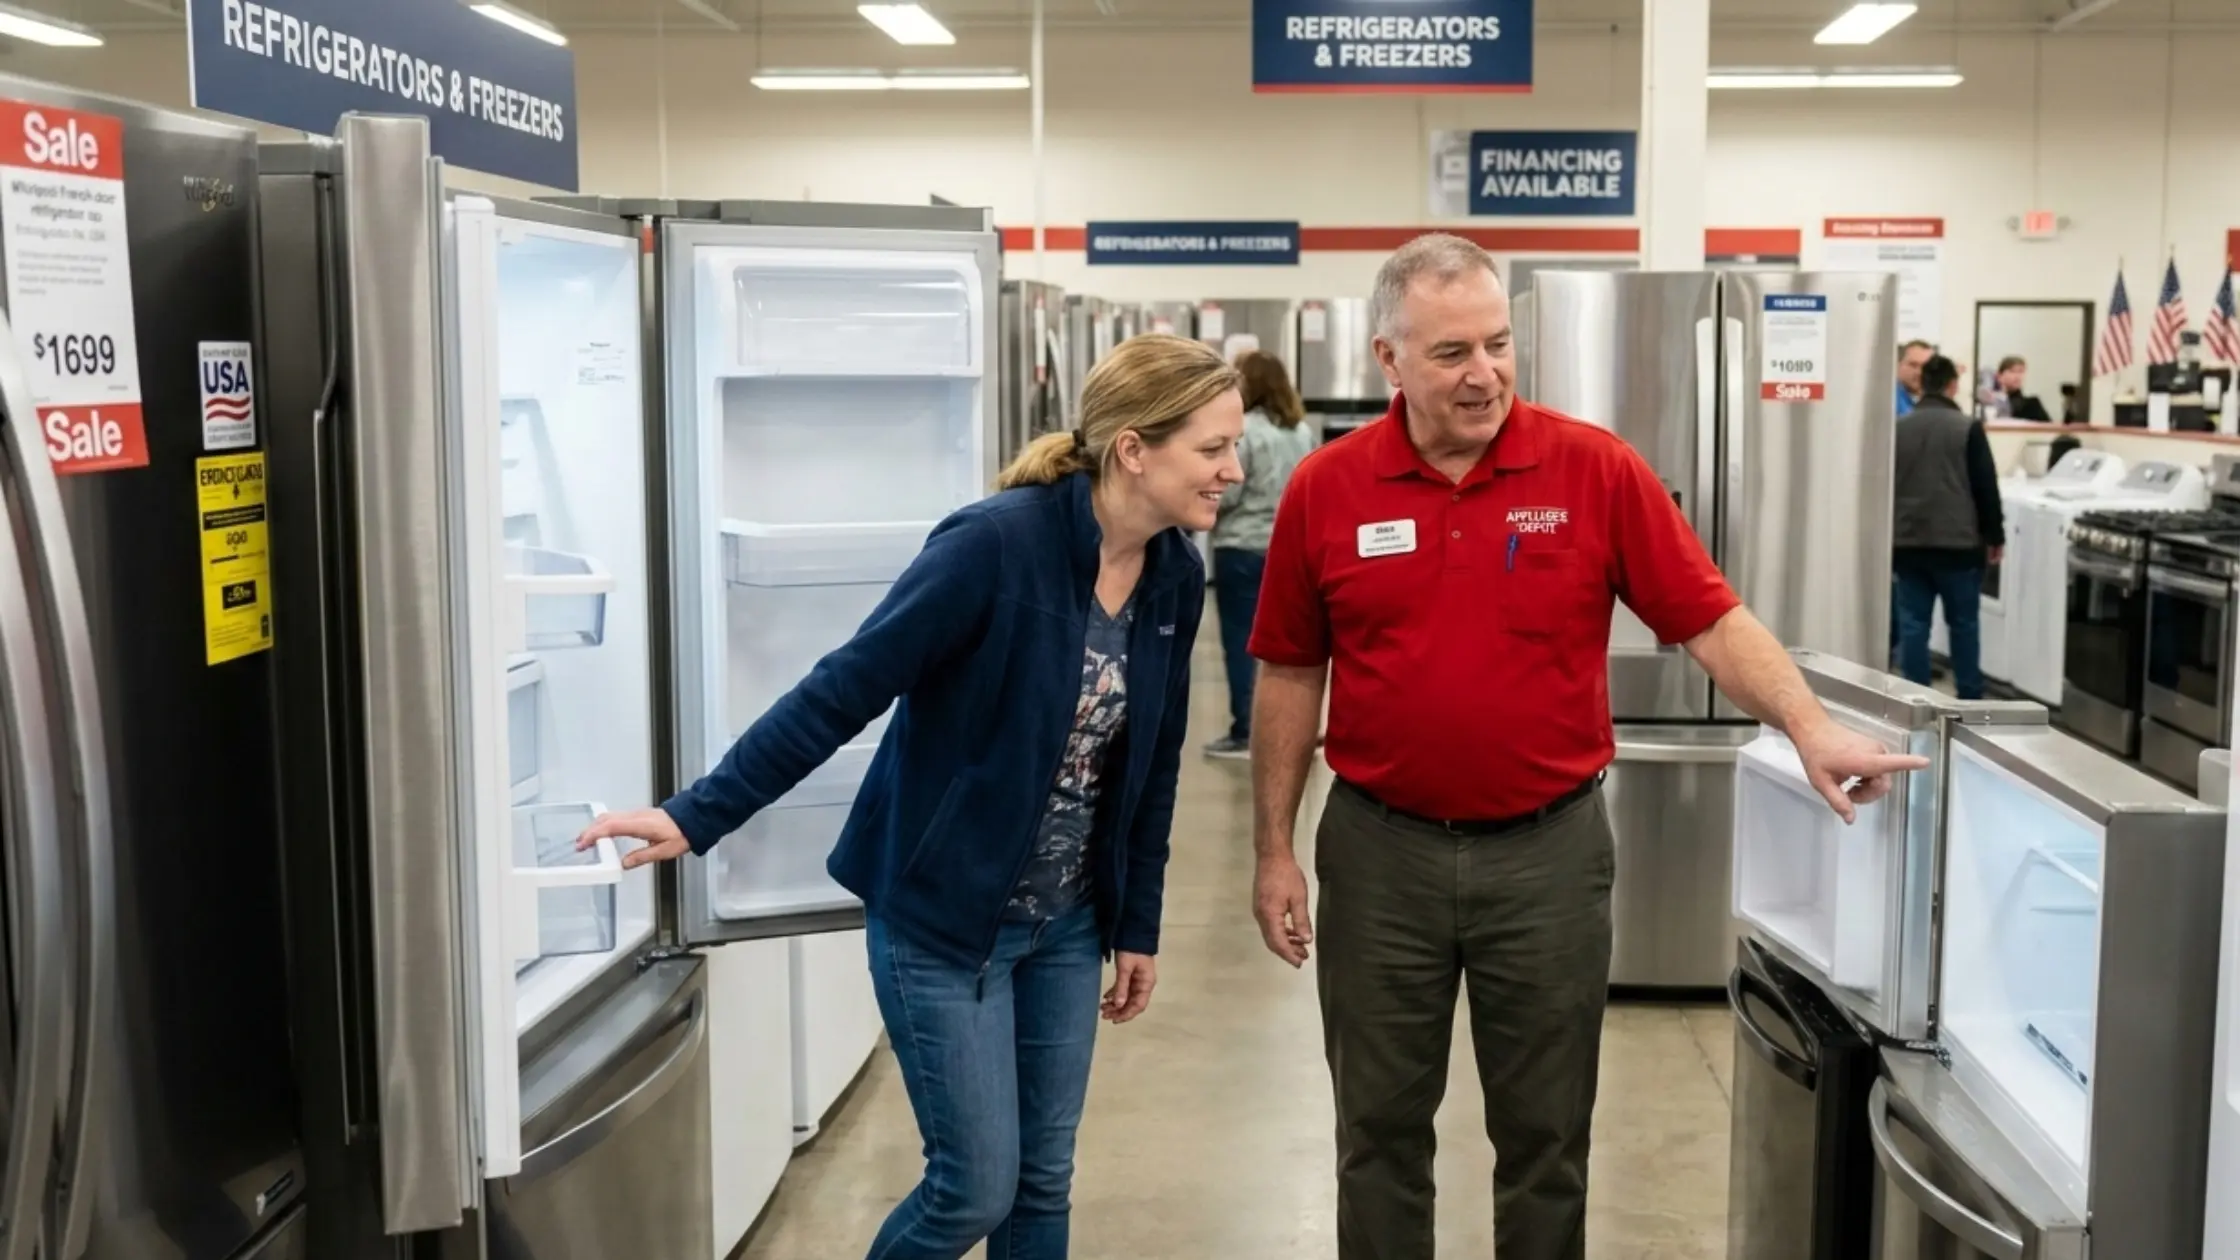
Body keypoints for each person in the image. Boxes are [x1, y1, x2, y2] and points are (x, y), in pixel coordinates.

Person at [1243, 233, 1926, 1260]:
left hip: (1547, 859)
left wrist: (1807, 725)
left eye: (1497, 345)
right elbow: (1290, 671)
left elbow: (1709, 620)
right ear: (1387, 360)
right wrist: (1271, 848)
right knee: (1375, 1135)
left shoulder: (1592, 469)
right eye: (1449, 354)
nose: (1482, 375)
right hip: (1379, 856)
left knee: (1546, 1139)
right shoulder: (1325, 488)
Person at [576, 334, 1245, 1260]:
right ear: (1135, 448)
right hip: (943, 919)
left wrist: (1138, 925)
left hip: (1068, 924)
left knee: (1043, 1183)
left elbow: (1153, 767)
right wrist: (697, 814)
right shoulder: (995, 546)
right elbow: (842, 689)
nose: (1233, 471)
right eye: (1213, 449)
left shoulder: (1173, 574)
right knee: (972, 1187)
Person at [1205, 350, 1317, 759]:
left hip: (1240, 547)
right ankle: (1290, 731)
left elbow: (1227, 494)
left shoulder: (1246, 432)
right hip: (1288, 549)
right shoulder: (1300, 432)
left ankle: (1245, 732)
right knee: (1285, 647)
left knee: (1241, 641)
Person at [1892, 353, 2005, 700]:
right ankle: (1969, 700)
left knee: (1913, 625)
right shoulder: (1967, 428)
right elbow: (1985, 486)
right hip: (1958, 545)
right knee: (1964, 626)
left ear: (1923, 384)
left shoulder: (1898, 427)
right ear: (1953, 386)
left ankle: (1915, 700)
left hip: (1908, 544)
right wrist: (1995, 535)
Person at [1991, 355, 2053, 421]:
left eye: (2021, 372)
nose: (2018, 376)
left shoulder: (2032, 404)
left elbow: (2049, 427)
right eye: (2012, 371)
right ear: (1999, 375)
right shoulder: (1990, 401)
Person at [1896, 338, 1934, 416]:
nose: (1919, 372)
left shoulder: (1937, 401)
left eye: (1926, 366)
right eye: (1913, 365)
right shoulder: (1890, 401)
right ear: (1898, 365)